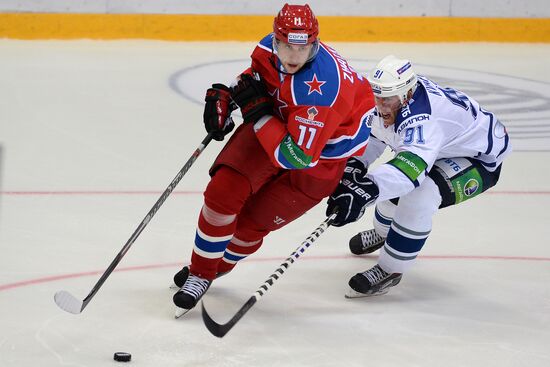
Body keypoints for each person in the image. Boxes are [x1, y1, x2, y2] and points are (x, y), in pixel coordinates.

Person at [172, 3, 375, 316]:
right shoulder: (266, 48)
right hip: (279, 123)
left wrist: (258, 110)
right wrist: (228, 96)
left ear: (315, 45)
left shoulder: (320, 95)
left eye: (303, 48)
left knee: (252, 223)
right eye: (286, 47)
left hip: (319, 158)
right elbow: (255, 79)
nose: (293, 57)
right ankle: (200, 273)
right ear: (275, 40)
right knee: (221, 195)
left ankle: (215, 268)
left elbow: (295, 157)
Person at [326, 55, 511, 298]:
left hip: (479, 159)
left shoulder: (423, 120)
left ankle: (391, 270)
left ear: (407, 95)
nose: (380, 105)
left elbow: (409, 171)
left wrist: (365, 190)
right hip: (444, 146)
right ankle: (384, 234)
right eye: (377, 96)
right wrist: (355, 166)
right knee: (392, 186)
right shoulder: (392, 98)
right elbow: (375, 135)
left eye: (387, 99)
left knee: (419, 195)